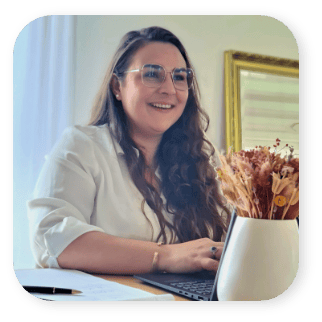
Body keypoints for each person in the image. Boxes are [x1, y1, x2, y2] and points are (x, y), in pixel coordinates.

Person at [27, 26, 232, 275]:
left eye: (179, 76)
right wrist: (166, 256)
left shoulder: (200, 164)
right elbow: (52, 238)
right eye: (152, 74)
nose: (169, 89)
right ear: (117, 86)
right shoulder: (82, 146)